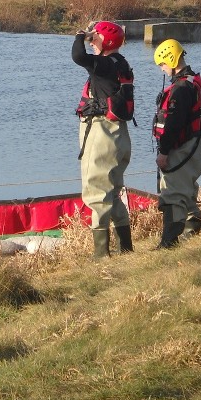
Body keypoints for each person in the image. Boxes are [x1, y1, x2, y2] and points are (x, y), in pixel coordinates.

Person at [72, 20, 135, 259]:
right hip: (119, 135)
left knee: (96, 191)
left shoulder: (105, 64)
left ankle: (100, 253)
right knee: (112, 191)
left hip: (102, 133)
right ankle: (125, 248)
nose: (92, 39)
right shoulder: (121, 63)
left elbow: (78, 56)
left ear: (105, 41)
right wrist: (93, 36)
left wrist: (81, 36)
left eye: (96, 36)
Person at [152, 38, 201, 248]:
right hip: (194, 145)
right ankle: (192, 226)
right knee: (187, 186)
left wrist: (164, 152)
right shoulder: (192, 82)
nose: (162, 70)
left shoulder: (181, 89)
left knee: (173, 192)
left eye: (162, 64)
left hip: (181, 147)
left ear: (171, 58)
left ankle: (169, 240)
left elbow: (173, 124)